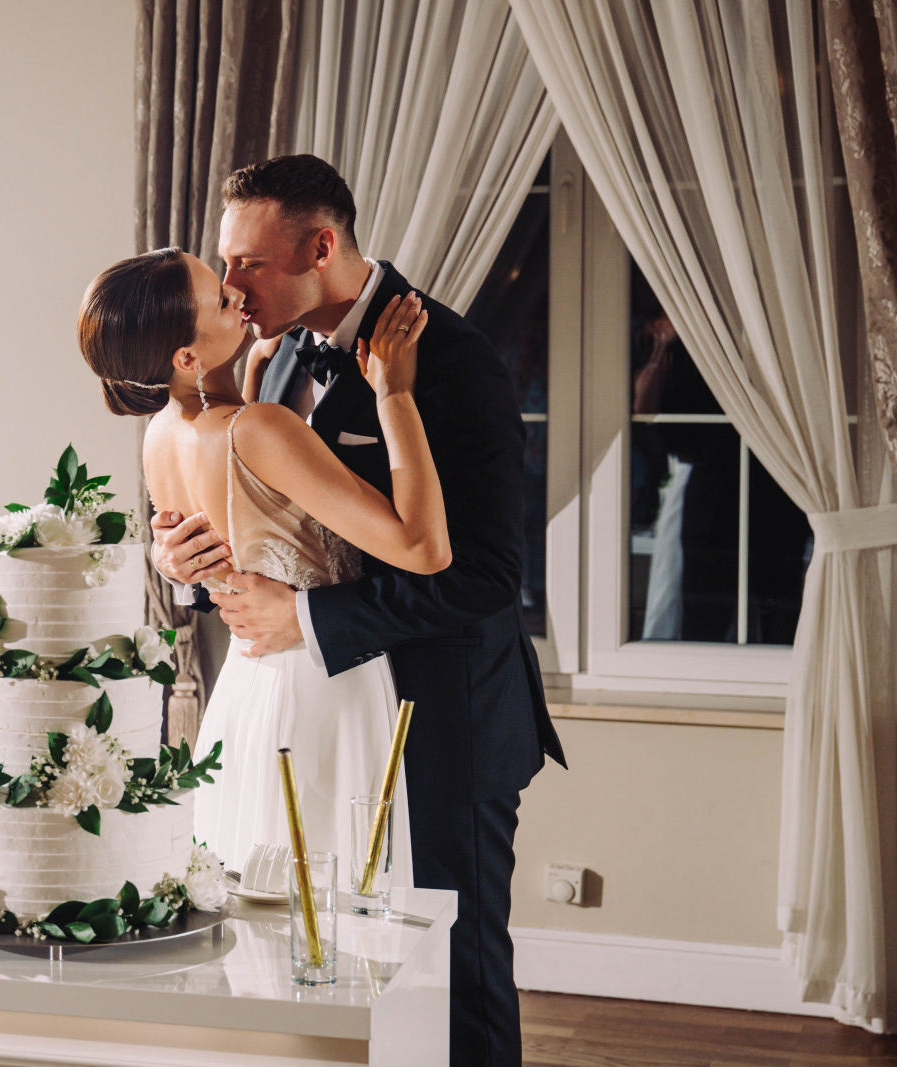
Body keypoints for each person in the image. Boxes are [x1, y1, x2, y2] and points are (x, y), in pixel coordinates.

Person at [150, 155, 566, 1067]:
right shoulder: (264, 358)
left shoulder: (452, 361)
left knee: (452, 979)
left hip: (440, 718)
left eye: (250, 263)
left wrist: (308, 621)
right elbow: (261, 522)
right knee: (313, 968)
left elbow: (487, 576)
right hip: (311, 723)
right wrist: (184, 565)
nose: (232, 285)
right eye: (225, 263)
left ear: (321, 247)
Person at [77, 246, 446, 905]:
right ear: (185, 357)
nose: (238, 293)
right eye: (221, 301)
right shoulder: (262, 428)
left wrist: (246, 370)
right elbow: (420, 547)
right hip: (324, 683)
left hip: (248, 687)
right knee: (331, 903)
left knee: (261, 898)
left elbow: (246, 500)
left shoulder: (160, 434)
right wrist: (394, 393)